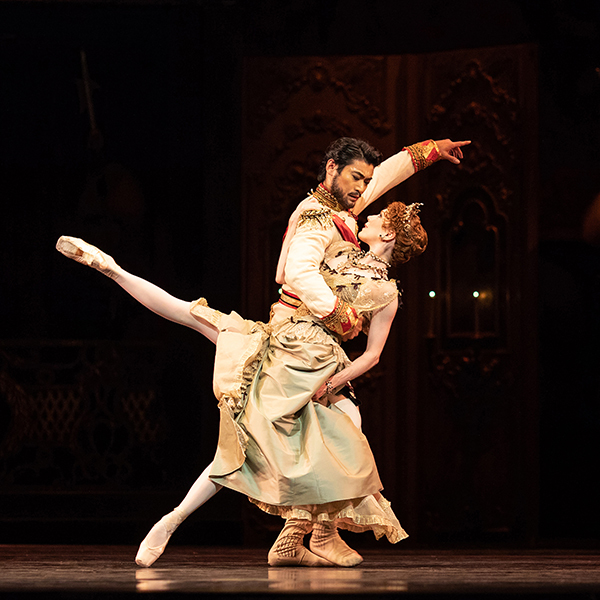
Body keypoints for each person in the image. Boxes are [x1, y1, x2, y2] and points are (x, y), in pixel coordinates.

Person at [57, 136, 469, 568]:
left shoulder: (347, 215)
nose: (363, 188)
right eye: (355, 177)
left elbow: (384, 176)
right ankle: (280, 529)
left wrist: (430, 151)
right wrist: (342, 314)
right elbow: (298, 272)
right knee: (259, 434)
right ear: (330, 168)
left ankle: (302, 533)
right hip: (293, 339)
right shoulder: (317, 219)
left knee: (336, 425)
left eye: (364, 179)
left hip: (314, 351)